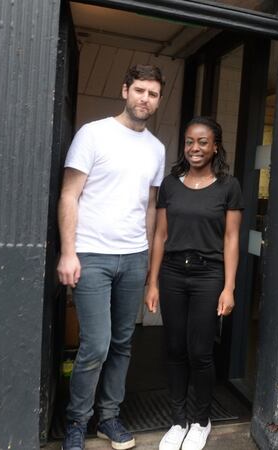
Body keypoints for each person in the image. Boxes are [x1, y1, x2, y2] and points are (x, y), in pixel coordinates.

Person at [58, 64, 166, 450]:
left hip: (134, 256)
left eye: (153, 94)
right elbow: (69, 194)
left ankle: (108, 417)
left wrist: (149, 261)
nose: (145, 99)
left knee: (122, 342)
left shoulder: (157, 148)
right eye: (139, 90)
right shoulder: (94, 134)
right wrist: (68, 253)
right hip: (92, 255)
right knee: (96, 344)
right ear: (125, 90)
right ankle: (76, 420)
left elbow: (151, 207)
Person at [146, 116, 243, 450]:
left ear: (215, 146)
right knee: (174, 349)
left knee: (199, 351)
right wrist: (153, 282)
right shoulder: (171, 184)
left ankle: (200, 420)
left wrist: (229, 286)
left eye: (202, 142)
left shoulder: (229, 186)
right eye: (189, 141)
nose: (195, 148)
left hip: (208, 275)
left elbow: (231, 239)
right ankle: (178, 420)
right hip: (172, 273)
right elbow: (160, 235)